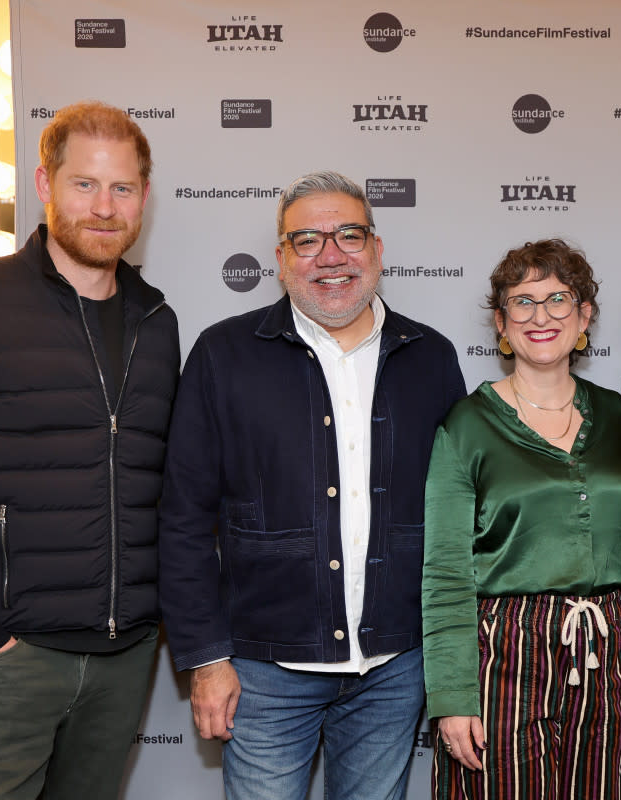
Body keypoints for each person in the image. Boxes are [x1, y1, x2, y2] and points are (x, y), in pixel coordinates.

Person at [0, 100, 179, 800]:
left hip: (124, 656)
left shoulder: (157, 321)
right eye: (85, 184)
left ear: (144, 196)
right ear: (46, 186)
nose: (104, 207)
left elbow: (160, 482)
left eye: (123, 188)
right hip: (8, 657)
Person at [158, 171, 465, 800]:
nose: (331, 255)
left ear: (377, 250)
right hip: (263, 671)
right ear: (280, 259)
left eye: (349, 235)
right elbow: (184, 519)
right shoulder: (223, 354)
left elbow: (458, 520)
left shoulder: (430, 357)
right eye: (307, 240)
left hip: (393, 669)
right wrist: (206, 660)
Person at [423, 239, 621, 799]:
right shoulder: (466, 425)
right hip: (505, 653)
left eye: (559, 299)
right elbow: (445, 572)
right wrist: (452, 698)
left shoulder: (619, 415)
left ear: (585, 314)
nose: (541, 317)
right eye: (522, 301)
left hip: (605, 647)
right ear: (501, 320)